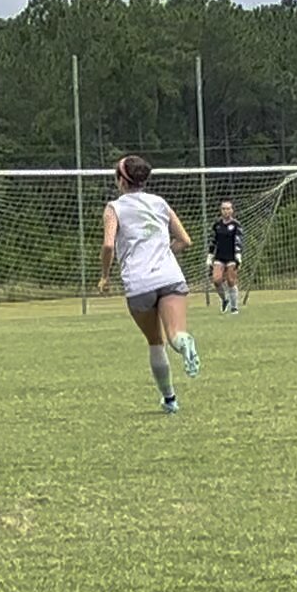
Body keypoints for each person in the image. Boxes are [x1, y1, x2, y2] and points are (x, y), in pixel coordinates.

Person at [98, 155, 201, 414]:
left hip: (139, 283)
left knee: (155, 342)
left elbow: (109, 244)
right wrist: (164, 253)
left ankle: (170, 399)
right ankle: (184, 342)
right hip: (170, 276)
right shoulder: (160, 203)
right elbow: (185, 241)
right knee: (175, 333)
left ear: (121, 180)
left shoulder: (114, 208)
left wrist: (105, 276)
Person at [207, 201, 244, 314]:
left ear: (232, 210)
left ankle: (234, 307)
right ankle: (224, 299)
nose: (226, 211)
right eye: (223, 209)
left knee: (231, 280)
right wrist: (209, 256)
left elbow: (239, 241)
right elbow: (213, 241)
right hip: (220, 256)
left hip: (232, 256)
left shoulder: (236, 225)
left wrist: (238, 255)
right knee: (216, 280)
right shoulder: (217, 225)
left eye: (228, 209)